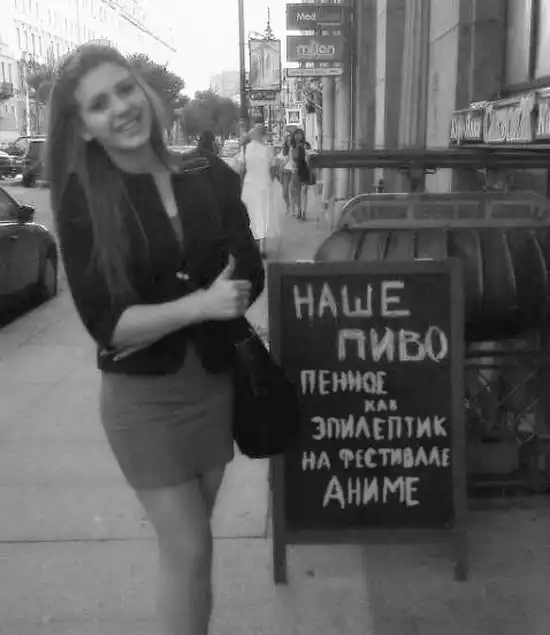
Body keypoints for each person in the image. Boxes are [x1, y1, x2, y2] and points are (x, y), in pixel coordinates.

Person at [45, 43, 264, 635]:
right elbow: (107, 325)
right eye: (99, 104)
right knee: (188, 550)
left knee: (194, 551)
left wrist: (228, 288)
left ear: (144, 91)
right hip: (144, 403)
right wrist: (201, 303)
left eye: (125, 89)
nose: (120, 107)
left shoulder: (208, 174)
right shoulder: (84, 199)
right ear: (84, 128)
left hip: (214, 385)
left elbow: (247, 267)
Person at [240, 123, 284, 257]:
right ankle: (262, 247)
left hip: (249, 185)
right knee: (263, 215)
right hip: (264, 184)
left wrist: (241, 183)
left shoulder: (246, 149)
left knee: (251, 215)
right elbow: (273, 168)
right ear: (263, 135)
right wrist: (271, 180)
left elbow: (242, 168)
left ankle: (254, 245)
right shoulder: (268, 150)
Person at [290, 128, 312, 222]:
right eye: (296, 134)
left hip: (304, 170)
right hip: (296, 170)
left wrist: (307, 154)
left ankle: (304, 212)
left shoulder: (306, 145)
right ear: (294, 136)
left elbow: (309, 158)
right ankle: (299, 210)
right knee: (297, 192)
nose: (298, 136)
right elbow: (291, 160)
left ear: (302, 136)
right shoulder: (292, 147)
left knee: (304, 191)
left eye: (300, 134)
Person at [275, 133, 295, 215]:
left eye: (290, 140)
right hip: (285, 172)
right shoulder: (284, 150)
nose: (289, 142)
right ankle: (288, 205)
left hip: (293, 172)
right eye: (288, 141)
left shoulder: (295, 149)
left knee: (292, 191)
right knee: (284, 194)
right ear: (286, 142)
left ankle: (293, 209)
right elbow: (278, 159)